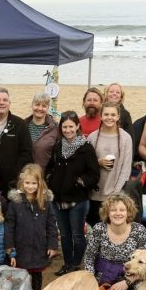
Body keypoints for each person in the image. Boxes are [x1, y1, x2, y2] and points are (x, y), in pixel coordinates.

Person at [83, 192, 146, 290]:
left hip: (129, 274)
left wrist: (127, 282)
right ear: (107, 212)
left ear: (128, 212)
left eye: (122, 210)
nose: (117, 213)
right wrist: (91, 281)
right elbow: (89, 257)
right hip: (102, 273)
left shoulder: (139, 230)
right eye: (113, 210)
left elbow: (145, 263)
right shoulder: (98, 229)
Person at [47, 111, 101, 275]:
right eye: (65, 126)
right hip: (58, 199)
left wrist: (80, 182)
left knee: (78, 235)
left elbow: (94, 174)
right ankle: (67, 263)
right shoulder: (58, 146)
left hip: (78, 200)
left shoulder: (86, 148)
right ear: (61, 128)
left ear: (77, 126)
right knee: (64, 235)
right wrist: (50, 180)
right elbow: (50, 168)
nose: (68, 130)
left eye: (71, 126)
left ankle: (76, 263)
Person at [5, 164, 59, 290]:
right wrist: (9, 245)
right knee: (19, 281)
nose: (30, 186)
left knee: (36, 279)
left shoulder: (45, 202)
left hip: (38, 248)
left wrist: (52, 245)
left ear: (40, 183)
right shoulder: (15, 203)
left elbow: (51, 224)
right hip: (20, 248)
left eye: (34, 183)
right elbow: (9, 226)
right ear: (22, 182)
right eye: (27, 183)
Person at [86, 101, 133, 224]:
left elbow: (126, 169)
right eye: (106, 114)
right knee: (94, 230)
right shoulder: (92, 137)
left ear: (118, 117)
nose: (109, 118)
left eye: (113, 115)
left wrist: (115, 194)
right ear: (101, 116)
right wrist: (98, 163)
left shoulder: (125, 138)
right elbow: (86, 165)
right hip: (93, 194)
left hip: (114, 195)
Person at [0, 87, 32, 192]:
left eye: (5, 100)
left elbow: (26, 153)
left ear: (9, 103)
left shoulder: (20, 124)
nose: (1, 103)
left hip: (13, 183)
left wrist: (13, 176)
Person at [26, 92, 59, 169]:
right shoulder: (23, 126)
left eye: (44, 106)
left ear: (48, 108)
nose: (40, 108)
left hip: (46, 174)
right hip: (26, 176)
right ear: (32, 105)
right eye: (37, 104)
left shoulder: (55, 128)